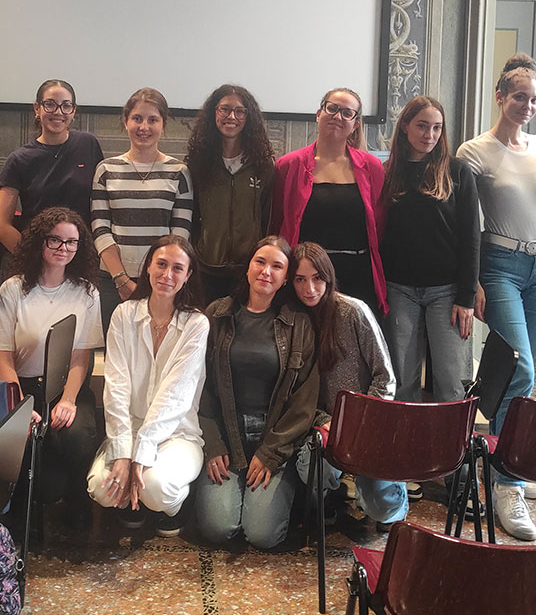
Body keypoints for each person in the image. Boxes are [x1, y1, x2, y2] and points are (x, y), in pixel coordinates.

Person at [455, 53, 536, 539]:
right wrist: (472, 279)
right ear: (500, 97)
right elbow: (464, 222)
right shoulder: (474, 151)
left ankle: (505, 458)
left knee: (520, 378)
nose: (527, 106)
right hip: (500, 266)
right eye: (519, 97)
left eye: (534, 99)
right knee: (521, 369)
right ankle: (507, 486)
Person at [196, 236, 319, 549]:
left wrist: (271, 453)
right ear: (248, 267)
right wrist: (212, 443)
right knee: (218, 528)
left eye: (277, 266)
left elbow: (303, 403)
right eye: (260, 262)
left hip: (274, 437)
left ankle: (283, 495)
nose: (266, 271)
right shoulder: (217, 314)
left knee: (263, 535)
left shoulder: (299, 324)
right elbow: (199, 385)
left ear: (286, 278)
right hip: (226, 434)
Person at [86, 236, 208, 537]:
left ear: (188, 275)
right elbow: (116, 387)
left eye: (177, 268)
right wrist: (123, 452)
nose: (167, 275)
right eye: (161, 264)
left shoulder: (196, 324)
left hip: (177, 433)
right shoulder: (124, 315)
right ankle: (132, 498)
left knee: (155, 488)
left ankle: (174, 504)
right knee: (101, 488)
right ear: (148, 267)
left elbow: (175, 395)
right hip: (129, 427)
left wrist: (140, 454)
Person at [0, 207, 104, 513]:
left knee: (78, 436)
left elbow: (82, 355)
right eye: (55, 240)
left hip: (66, 386)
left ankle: (77, 503)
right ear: (39, 242)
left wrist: (68, 400)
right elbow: (2, 356)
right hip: (22, 388)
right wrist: (19, 404)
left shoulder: (87, 293)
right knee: (42, 480)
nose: (63, 248)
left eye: (71, 242)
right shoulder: (12, 290)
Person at [290, 242, 405, 529]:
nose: (309, 289)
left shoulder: (353, 311)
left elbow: (385, 377)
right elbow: (295, 393)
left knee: (383, 509)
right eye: (300, 279)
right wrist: (325, 421)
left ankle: (392, 499)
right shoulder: (291, 319)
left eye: (317, 278)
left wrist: (358, 420)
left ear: (328, 277)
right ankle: (330, 495)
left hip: (366, 420)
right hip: (322, 425)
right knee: (313, 469)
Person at [380, 96, 479, 403]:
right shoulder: (386, 172)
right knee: (402, 381)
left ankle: (453, 437)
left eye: (437, 128)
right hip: (399, 289)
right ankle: (405, 435)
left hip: (447, 292)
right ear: (405, 126)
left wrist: (466, 297)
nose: (430, 135)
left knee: (452, 382)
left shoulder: (458, 171)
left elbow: (471, 237)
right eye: (422, 126)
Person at [272, 87, 387, 315]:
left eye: (347, 113)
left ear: (355, 124)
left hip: (358, 275)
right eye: (332, 108)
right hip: (306, 277)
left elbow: (380, 226)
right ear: (318, 114)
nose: (337, 116)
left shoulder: (372, 167)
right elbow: (277, 224)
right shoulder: (288, 165)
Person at [91, 87, 194, 334]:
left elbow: (180, 236)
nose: (144, 127)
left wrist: (160, 278)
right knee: (117, 350)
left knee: (158, 349)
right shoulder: (106, 170)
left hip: (162, 281)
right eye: (137, 118)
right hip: (113, 281)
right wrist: (121, 280)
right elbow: (100, 229)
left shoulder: (179, 172)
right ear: (125, 121)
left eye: (152, 120)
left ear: (163, 125)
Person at [0, 79, 104, 284]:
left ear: (73, 111)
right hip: (35, 267)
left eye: (66, 105)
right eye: (50, 104)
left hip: (81, 261)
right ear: (37, 108)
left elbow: (101, 204)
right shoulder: (19, 159)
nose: (58, 112)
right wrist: (37, 259)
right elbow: (0, 226)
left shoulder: (88, 144)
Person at [185, 84, 275, 303]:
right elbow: (192, 214)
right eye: (224, 109)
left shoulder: (263, 165)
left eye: (239, 111)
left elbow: (268, 217)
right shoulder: (198, 163)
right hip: (206, 268)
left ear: (248, 117)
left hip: (249, 269)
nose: (231, 116)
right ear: (213, 113)